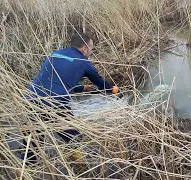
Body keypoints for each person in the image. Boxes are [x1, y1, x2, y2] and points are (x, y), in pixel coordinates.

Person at [23, 32, 119, 163]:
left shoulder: (55, 54)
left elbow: (55, 81)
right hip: (54, 104)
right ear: (85, 48)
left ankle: (23, 171)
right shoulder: (84, 63)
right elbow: (102, 84)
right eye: (91, 49)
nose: (91, 52)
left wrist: (82, 88)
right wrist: (113, 90)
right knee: (74, 138)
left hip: (31, 99)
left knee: (32, 146)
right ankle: (80, 166)